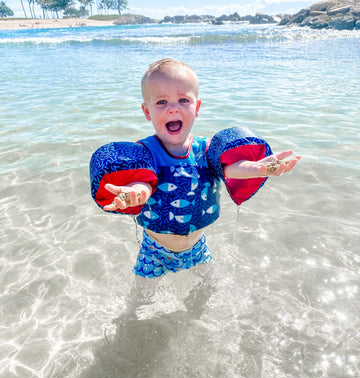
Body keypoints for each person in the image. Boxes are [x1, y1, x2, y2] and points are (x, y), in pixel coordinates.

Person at [90, 58, 300, 280]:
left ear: (197, 107)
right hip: (154, 251)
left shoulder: (206, 150)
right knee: (140, 302)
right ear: (147, 111)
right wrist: (134, 194)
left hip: (197, 247)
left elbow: (230, 168)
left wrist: (256, 168)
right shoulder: (146, 153)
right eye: (161, 102)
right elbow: (142, 182)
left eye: (183, 100)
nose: (173, 108)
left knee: (209, 288)